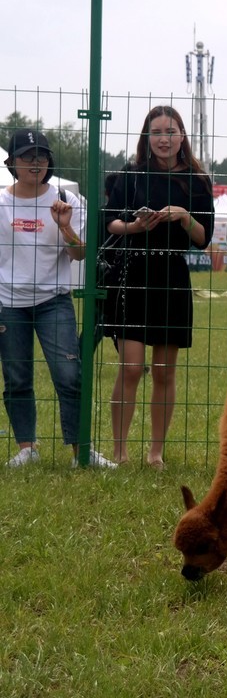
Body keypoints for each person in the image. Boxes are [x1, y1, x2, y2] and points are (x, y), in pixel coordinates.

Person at [101, 105, 214, 469]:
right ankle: (119, 452)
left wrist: (183, 216)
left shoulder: (198, 181)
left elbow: (203, 239)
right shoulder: (131, 175)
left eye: (171, 131)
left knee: (165, 370)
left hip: (172, 276)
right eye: (157, 132)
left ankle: (155, 453)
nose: (164, 138)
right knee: (131, 367)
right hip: (133, 272)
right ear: (146, 138)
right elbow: (110, 223)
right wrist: (137, 227)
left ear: (182, 136)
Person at [0, 129, 116, 469]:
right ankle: (27, 447)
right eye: (27, 156)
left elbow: (80, 254)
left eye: (42, 156)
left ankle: (81, 451)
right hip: (9, 303)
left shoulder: (67, 199)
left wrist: (64, 226)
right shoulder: (2, 203)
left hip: (54, 300)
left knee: (69, 375)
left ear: (49, 162)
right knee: (16, 377)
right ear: (12, 163)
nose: (35, 163)